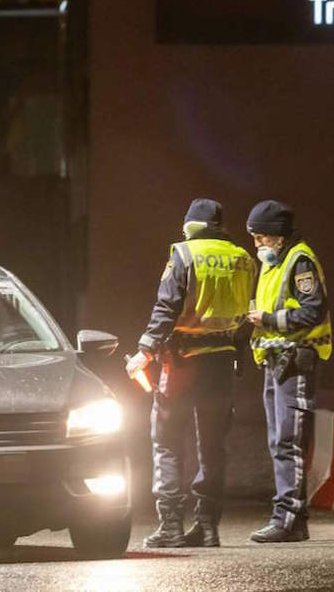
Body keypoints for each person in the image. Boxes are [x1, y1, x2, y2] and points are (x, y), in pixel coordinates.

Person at [126, 199, 255, 548]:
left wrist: (145, 349)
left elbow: (167, 306)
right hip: (222, 363)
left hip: (183, 363)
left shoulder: (184, 254)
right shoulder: (244, 259)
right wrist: (237, 359)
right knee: (212, 447)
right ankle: (208, 526)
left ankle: (170, 526)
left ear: (192, 225)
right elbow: (247, 318)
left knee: (167, 442)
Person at [246, 200, 331, 543]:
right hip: (276, 362)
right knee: (277, 441)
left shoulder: (300, 261)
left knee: (288, 441)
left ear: (278, 237)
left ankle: (290, 520)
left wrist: (267, 320)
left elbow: (312, 311)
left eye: (261, 238)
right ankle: (287, 516)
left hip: (296, 361)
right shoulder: (274, 264)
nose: (257, 245)